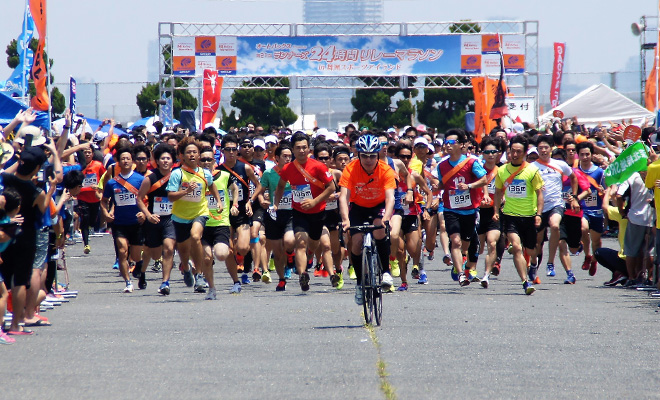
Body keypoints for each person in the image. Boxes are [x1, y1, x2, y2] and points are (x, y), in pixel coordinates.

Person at [273, 132, 338, 292]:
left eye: (304, 147)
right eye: (298, 148)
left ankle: (309, 258)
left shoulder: (318, 166)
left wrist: (315, 201)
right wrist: (275, 204)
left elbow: (331, 187)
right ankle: (303, 275)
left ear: (309, 149)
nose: (301, 151)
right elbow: (281, 186)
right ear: (293, 150)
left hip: (318, 212)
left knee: (314, 244)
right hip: (299, 212)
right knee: (300, 243)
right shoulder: (288, 168)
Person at [338, 134, 396, 305]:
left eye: (372, 156)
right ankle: (359, 284)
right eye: (364, 156)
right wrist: (345, 220)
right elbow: (343, 197)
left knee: (379, 229)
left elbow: (390, 198)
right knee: (355, 242)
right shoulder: (350, 168)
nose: (369, 160)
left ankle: (385, 271)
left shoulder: (385, 170)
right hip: (358, 208)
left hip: (378, 206)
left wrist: (386, 217)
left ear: (378, 154)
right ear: (358, 155)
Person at [166, 137, 223, 293]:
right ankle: (186, 268)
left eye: (194, 152)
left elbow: (212, 187)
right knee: (183, 250)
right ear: (182, 156)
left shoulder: (205, 173)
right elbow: (171, 196)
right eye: (188, 152)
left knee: (196, 236)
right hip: (180, 216)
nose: (192, 155)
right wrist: (185, 191)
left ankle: (199, 274)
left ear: (199, 155)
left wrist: (218, 201)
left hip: (200, 212)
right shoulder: (177, 174)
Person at [493, 134, 544, 295]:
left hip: (529, 215)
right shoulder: (502, 170)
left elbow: (539, 193)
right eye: (512, 151)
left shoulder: (532, 170)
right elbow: (497, 192)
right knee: (516, 247)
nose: (515, 155)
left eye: (519, 152)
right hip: (510, 215)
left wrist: (539, 214)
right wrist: (495, 211)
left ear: (525, 152)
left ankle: (533, 264)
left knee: (531, 250)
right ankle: (525, 281)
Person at [436, 129, 487, 287]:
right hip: (450, 209)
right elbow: (442, 184)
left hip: (469, 210)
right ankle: (461, 275)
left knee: (465, 243)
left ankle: (461, 260)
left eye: (452, 142)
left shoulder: (471, 162)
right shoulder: (442, 165)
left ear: (461, 145)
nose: (448, 146)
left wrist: (469, 186)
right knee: (455, 242)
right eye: (446, 143)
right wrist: (432, 190)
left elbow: (484, 179)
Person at [218, 134, 261, 294]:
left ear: (238, 151)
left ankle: (242, 259)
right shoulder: (218, 170)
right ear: (222, 151)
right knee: (228, 250)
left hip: (242, 212)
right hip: (224, 214)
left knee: (242, 248)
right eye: (227, 149)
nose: (231, 152)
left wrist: (251, 201)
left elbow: (258, 185)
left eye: (233, 149)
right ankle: (236, 280)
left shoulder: (245, 168)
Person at [532, 135, 578, 282]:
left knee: (555, 226)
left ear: (551, 149)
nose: (543, 150)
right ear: (537, 150)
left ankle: (550, 263)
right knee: (537, 242)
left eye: (546, 147)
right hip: (538, 207)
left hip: (556, 204)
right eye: (540, 148)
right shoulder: (532, 167)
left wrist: (574, 196)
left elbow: (573, 178)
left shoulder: (560, 164)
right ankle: (533, 267)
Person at [100, 146, 146, 293]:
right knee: (122, 251)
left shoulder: (140, 180)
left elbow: (148, 199)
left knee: (136, 255)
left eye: (128, 158)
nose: (125, 161)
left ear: (132, 161)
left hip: (137, 223)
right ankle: (127, 282)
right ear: (118, 162)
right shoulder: (112, 183)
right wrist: (106, 213)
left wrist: (145, 214)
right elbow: (103, 200)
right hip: (119, 223)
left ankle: (140, 267)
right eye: (122, 159)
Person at [136, 144, 176, 295]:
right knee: (152, 253)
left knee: (169, 248)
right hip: (153, 219)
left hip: (171, 219)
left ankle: (165, 282)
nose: (165, 161)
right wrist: (148, 215)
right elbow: (139, 199)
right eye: (162, 158)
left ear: (173, 161)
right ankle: (143, 271)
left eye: (168, 158)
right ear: (157, 161)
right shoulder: (150, 178)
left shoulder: (177, 175)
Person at [199, 147, 239, 300]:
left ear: (214, 161)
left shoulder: (224, 175)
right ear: (199, 161)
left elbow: (235, 189)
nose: (206, 162)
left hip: (221, 222)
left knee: (222, 254)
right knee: (208, 258)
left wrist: (235, 205)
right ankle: (211, 289)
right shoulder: (195, 178)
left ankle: (236, 281)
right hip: (201, 223)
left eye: (209, 159)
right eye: (203, 159)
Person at [258, 143, 295, 291]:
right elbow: (260, 191)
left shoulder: (296, 172)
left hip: (291, 213)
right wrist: (262, 200)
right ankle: (281, 280)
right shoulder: (268, 174)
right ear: (276, 158)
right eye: (284, 156)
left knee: (289, 241)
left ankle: (290, 253)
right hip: (274, 214)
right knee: (277, 252)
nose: (287, 159)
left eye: (289, 156)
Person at [576, 141, 605, 276]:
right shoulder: (574, 171)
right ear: (578, 156)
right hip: (582, 209)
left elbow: (606, 190)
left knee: (596, 241)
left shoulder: (599, 172)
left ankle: (594, 259)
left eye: (587, 154)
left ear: (591, 155)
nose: (585, 157)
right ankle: (587, 255)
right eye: (582, 154)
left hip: (596, 210)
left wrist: (602, 191)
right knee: (583, 228)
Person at [77, 145, 105, 254]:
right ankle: (86, 244)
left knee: (92, 220)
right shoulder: (78, 166)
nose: (87, 154)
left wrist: (99, 186)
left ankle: (89, 229)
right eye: (85, 152)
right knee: (85, 218)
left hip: (95, 197)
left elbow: (105, 178)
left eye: (89, 152)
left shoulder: (98, 165)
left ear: (93, 154)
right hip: (82, 196)